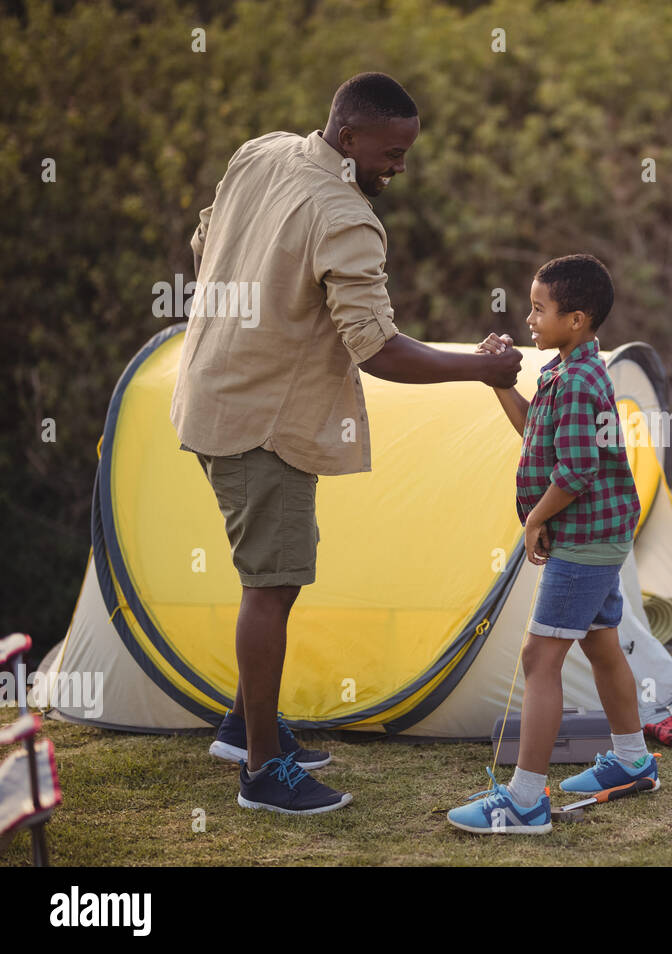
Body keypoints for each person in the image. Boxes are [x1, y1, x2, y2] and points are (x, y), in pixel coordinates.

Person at [171, 72, 522, 815]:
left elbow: (205, 241)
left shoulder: (261, 153)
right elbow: (377, 349)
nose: (400, 167)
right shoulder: (347, 216)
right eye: (392, 153)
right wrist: (482, 370)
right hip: (263, 422)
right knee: (272, 584)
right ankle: (263, 772)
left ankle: (246, 726)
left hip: (205, 390)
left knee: (276, 572)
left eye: (407, 152)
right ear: (350, 135)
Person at [447, 254, 658, 835]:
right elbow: (533, 430)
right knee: (602, 644)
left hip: (584, 541)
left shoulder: (583, 381)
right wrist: (498, 382)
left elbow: (578, 470)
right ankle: (633, 761)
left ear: (578, 318)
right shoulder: (563, 373)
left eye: (540, 309)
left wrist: (535, 520)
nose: (530, 318)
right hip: (601, 536)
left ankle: (524, 802)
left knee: (540, 660)